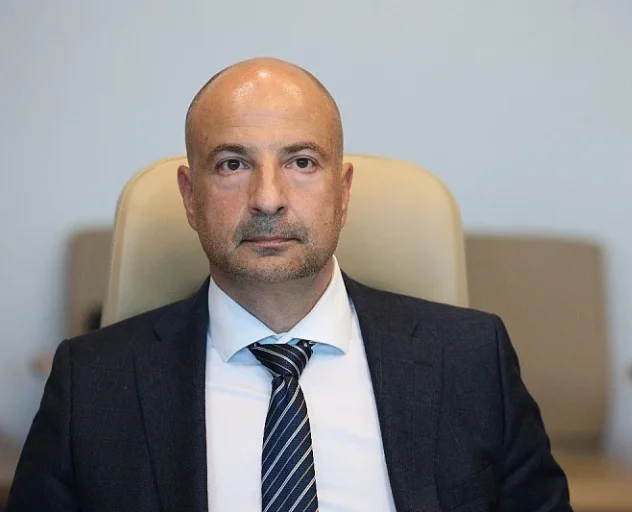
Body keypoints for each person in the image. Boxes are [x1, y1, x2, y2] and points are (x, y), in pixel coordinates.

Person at [7, 57, 572, 511]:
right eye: (233, 164)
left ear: (343, 193)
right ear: (189, 197)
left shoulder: (473, 359)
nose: (268, 199)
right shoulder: (91, 384)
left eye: (301, 162)